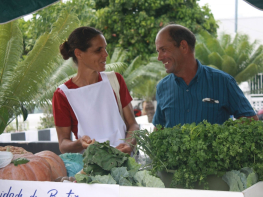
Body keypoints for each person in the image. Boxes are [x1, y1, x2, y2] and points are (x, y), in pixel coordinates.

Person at [52, 26, 139, 154]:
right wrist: (79, 143)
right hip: (90, 168)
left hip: (124, 163)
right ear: (79, 53)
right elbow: (63, 144)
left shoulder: (115, 80)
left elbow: (133, 125)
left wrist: (128, 145)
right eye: (99, 50)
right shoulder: (63, 95)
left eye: (105, 48)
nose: (106, 54)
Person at [152, 24, 258, 128]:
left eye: (163, 50)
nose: (159, 57)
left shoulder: (223, 82)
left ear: (183, 46)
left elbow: (250, 120)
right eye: (158, 51)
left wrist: (223, 139)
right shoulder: (162, 87)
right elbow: (158, 129)